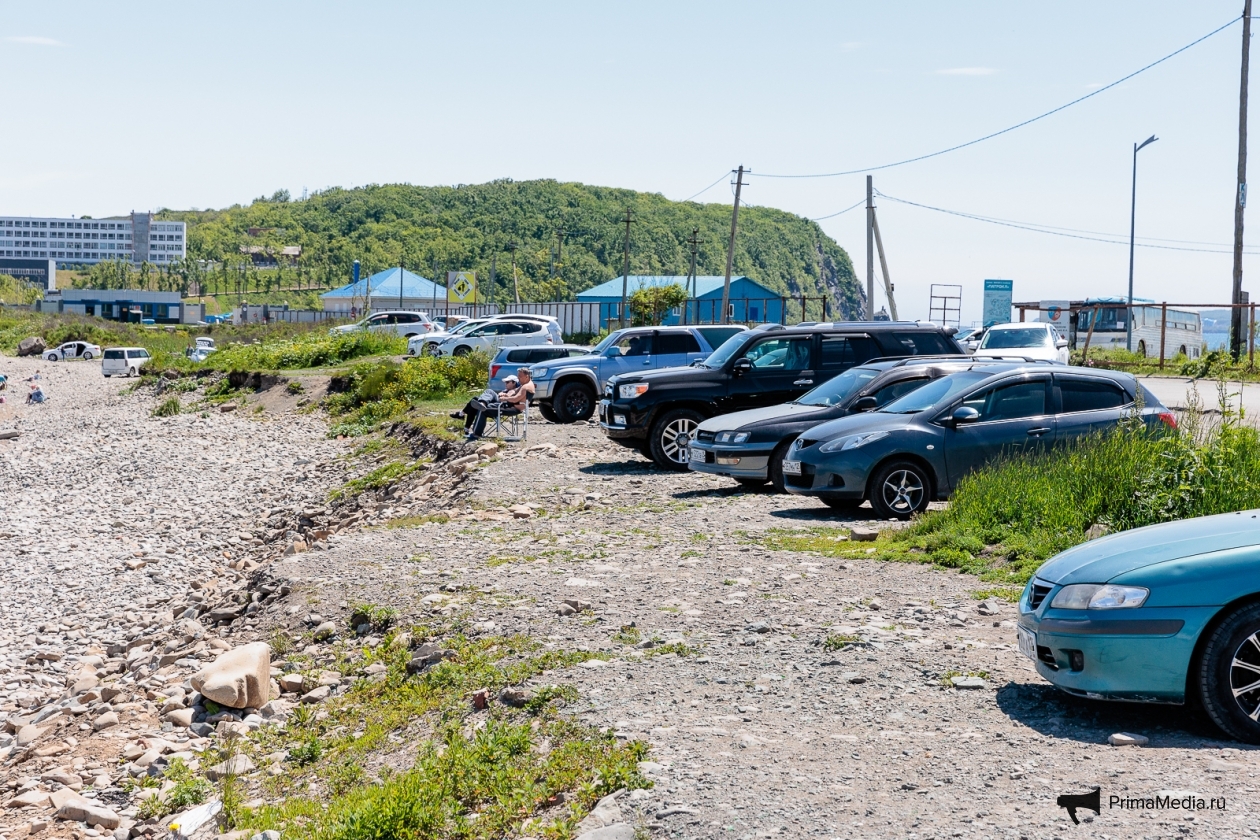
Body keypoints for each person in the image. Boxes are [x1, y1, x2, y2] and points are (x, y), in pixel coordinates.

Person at [463, 368, 534, 438]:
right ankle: (482, 404)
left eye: (520, 377)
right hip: (510, 405)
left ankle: (476, 434)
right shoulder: (525, 385)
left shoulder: (526, 387)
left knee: (483, 410)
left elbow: (515, 399)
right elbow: (515, 393)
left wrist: (504, 398)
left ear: (526, 376)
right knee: (485, 398)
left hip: (512, 408)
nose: (518, 379)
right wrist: (506, 394)